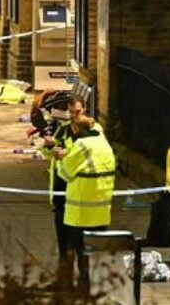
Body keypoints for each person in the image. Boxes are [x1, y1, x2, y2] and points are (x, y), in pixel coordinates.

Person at [37, 95, 101, 274]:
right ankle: (64, 276)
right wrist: (50, 147)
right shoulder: (63, 130)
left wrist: (67, 154)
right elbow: (47, 154)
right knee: (63, 240)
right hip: (61, 190)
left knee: (80, 239)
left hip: (81, 192)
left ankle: (84, 277)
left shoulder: (94, 129)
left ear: (85, 109)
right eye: (71, 112)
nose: (74, 116)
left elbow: (96, 154)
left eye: (78, 112)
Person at [53, 115, 116, 287]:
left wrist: (61, 159)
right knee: (95, 251)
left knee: (79, 250)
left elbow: (64, 173)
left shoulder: (81, 145)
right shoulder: (104, 144)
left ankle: (82, 285)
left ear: (75, 129)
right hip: (101, 209)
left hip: (80, 210)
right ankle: (96, 286)